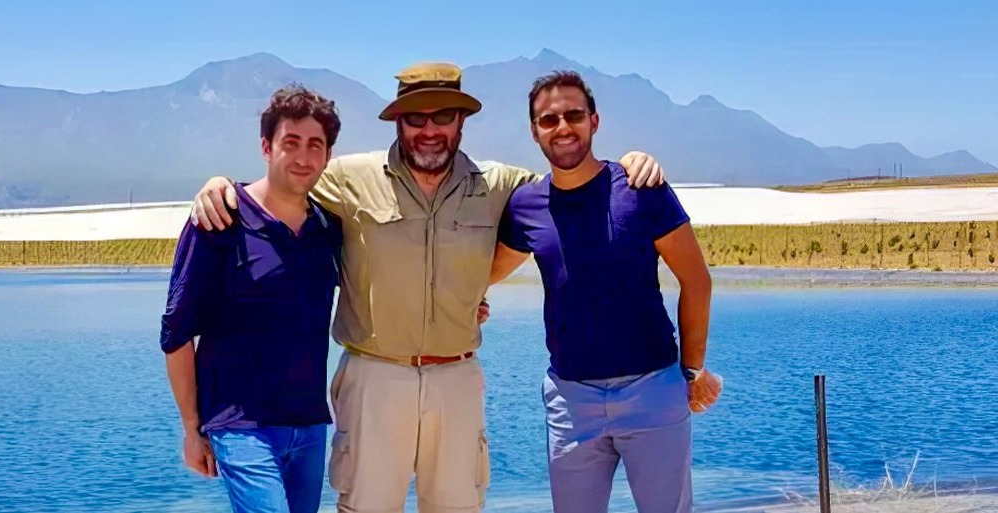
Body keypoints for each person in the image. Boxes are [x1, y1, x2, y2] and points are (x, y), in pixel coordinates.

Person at [189, 61, 669, 513]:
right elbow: (282, 180)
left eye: (443, 115)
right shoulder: (348, 178)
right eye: (415, 117)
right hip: (374, 377)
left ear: (461, 121)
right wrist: (221, 184)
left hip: (456, 381)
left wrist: (628, 164)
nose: (430, 128)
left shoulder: (500, 184)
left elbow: (570, 181)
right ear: (398, 122)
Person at [487, 70, 723, 513]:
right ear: (534, 131)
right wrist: (472, 302)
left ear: (595, 121)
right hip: (570, 401)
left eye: (574, 115)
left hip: (653, 390)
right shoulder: (525, 206)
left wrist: (691, 371)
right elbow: (482, 273)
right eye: (548, 119)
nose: (562, 127)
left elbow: (697, 280)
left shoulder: (641, 189)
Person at [159, 84, 344, 513]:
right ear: (266, 146)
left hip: (310, 425)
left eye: (315, 145)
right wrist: (192, 428)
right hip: (241, 425)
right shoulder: (220, 219)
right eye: (290, 143)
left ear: (328, 156)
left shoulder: (328, 228)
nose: (303, 157)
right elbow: (176, 334)